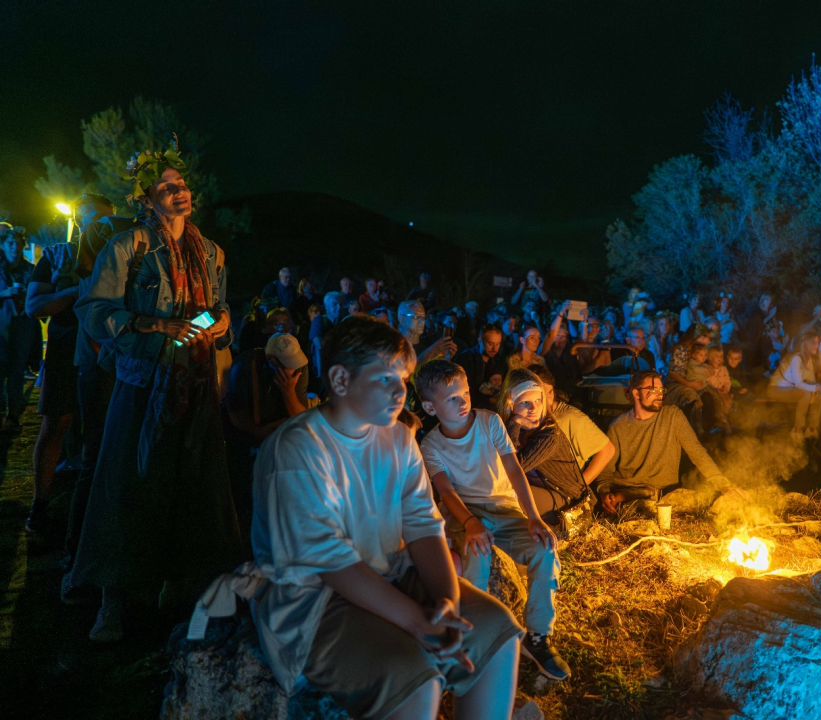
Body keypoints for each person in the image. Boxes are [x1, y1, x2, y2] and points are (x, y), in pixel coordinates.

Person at [251, 318, 522, 719]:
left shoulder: (397, 438)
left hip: (391, 572)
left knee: (495, 631)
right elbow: (328, 559)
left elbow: (422, 523)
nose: (400, 392)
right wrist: (417, 621)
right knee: (412, 676)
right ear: (340, 379)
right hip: (312, 599)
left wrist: (446, 600)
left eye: (405, 380)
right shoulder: (296, 448)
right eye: (385, 379)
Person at [69, 147, 243, 642]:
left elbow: (219, 309)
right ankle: (113, 600)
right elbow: (94, 309)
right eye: (166, 187)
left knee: (194, 489)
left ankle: (178, 588)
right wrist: (153, 325)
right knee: (126, 486)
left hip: (196, 386)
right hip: (143, 384)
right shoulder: (129, 247)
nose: (179, 191)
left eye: (180, 184)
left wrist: (216, 324)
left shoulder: (211, 252)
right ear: (147, 199)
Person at [415, 360, 568, 681]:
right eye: (452, 398)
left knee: (544, 549)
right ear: (430, 407)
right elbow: (446, 491)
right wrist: (470, 522)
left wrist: (533, 517)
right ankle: (475, 641)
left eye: (465, 393)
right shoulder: (431, 445)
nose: (463, 401)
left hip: (506, 510)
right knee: (477, 557)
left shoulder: (489, 421)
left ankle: (538, 636)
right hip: (469, 513)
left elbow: (513, 469)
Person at [63, 195, 131, 577]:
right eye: (96, 223)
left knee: (112, 458)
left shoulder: (115, 253)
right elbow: (95, 315)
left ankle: (97, 553)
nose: (102, 229)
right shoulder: (97, 252)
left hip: (119, 365)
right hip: (100, 366)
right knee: (96, 458)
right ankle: (78, 558)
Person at [596, 371, 739, 515]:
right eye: (653, 390)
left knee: (654, 497)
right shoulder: (618, 426)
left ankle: (632, 498)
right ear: (636, 393)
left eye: (661, 390)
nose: (659, 394)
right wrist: (605, 493)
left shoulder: (672, 416)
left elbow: (697, 453)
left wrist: (722, 484)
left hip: (658, 493)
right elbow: (605, 468)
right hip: (623, 487)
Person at [23, 237, 81, 534]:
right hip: (65, 352)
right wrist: (75, 290)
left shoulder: (123, 251)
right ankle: (40, 505)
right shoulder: (59, 256)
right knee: (56, 424)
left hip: (109, 357)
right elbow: (34, 306)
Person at [224, 332, 309, 535]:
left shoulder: (299, 368)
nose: (292, 368)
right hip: (250, 440)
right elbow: (234, 412)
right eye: (287, 364)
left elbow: (301, 418)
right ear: (271, 360)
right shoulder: (244, 366)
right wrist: (258, 431)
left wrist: (289, 392)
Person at [496, 368, 593, 528]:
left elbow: (510, 470)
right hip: (542, 492)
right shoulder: (506, 427)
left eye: (538, 400)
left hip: (568, 502)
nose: (534, 408)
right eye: (525, 403)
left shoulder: (549, 434)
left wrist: (515, 422)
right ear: (510, 404)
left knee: (504, 492)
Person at [532, 365, 615, 486]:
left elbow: (607, 450)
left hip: (560, 491)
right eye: (540, 395)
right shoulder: (527, 416)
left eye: (549, 392)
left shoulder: (569, 418)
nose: (547, 399)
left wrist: (579, 487)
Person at [0, 225, 37, 430]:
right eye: (10, 243)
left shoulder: (30, 270)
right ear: (3, 246)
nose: (15, 247)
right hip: (1, 329)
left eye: (18, 243)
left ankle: (14, 416)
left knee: (16, 373)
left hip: (23, 328)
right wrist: (5, 293)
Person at [767, 333, 821, 443]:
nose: (816, 346)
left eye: (817, 343)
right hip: (775, 389)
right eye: (814, 343)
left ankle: (812, 430)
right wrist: (818, 387)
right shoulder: (796, 358)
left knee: (818, 395)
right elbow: (799, 384)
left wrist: (820, 387)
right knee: (805, 394)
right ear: (806, 344)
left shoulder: (809, 359)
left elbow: (811, 382)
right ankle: (797, 431)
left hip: (791, 389)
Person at [664, 324, 712, 431]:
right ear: (698, 336)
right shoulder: (681, 349)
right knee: (691, 397)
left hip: (691, 382)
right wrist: (690, 384)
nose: (709, 341)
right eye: (707, 337)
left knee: (711, 395)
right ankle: (694, 430)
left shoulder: (698, 350)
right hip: (676, 384)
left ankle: (712, 428)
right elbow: (673, 373)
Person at [454, 323, 507, 411]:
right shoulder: (465, 359)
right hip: (468, 408)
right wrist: (488, 400)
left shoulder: (498, 361)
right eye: (490, 344)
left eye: (498, 344)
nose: (494, 349)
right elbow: (462, 390)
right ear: (480, 340)